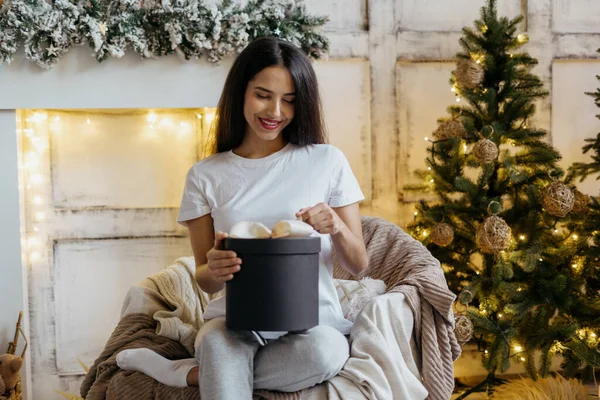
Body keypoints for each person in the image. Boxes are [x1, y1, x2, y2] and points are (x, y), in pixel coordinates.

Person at [116, 36, 369, 399]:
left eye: (290, 100)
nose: (275, 112)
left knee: (325, 353)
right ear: (241, 91)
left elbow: (358, 264)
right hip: (232, 323)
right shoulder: (205, 175)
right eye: (263, 95)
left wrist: (338, 227)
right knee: (219, 346)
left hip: (312, 324)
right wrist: (214, 268)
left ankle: (188, 374)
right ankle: (213, 365)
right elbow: (205, 279)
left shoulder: (327, 160)